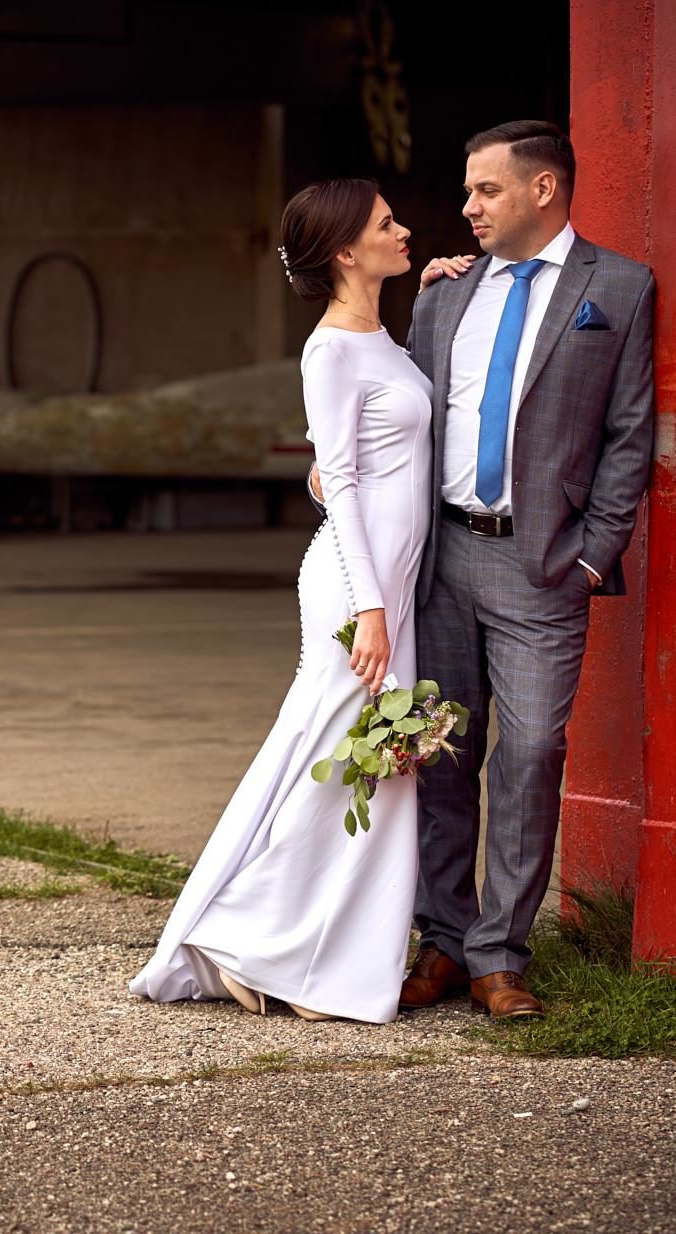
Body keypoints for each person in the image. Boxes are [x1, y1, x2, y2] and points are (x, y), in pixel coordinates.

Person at [130, 178, 431, 1024]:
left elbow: (362, 462)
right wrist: (370, 610)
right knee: (345, 763)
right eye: (386, 224)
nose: (403, 230)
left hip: (387, 589)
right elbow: (336, 476)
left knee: (367, 771)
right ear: (345, 251)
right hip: (354, 591)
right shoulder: (331, 348)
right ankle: (245, 941)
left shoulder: (384, 338)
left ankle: (314, 957)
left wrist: (439, 279)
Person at [395, 120, 655, 1019]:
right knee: (438, 754)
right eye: (467, 192)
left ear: (544, 190)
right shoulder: (440, 296)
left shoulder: (619, 287)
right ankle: (445, 943)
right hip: (441, 561)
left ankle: (502, 953)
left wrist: (592, 556)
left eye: (485, 191)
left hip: (544, 566)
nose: (467, 208)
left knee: (534, 752)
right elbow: (404, 416)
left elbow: (629, 434)